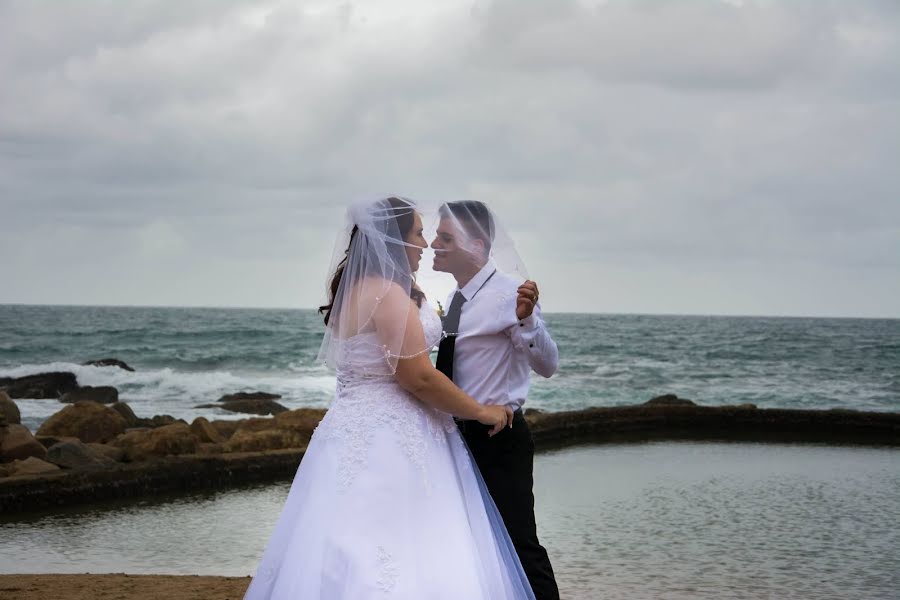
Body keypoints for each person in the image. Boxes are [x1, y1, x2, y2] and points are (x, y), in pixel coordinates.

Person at [242, 196, 536, 599]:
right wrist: (482, 411)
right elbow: (418, 377)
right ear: (394, 241)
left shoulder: (362, 290)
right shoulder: (387, 294)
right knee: (397, 542)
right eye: (418, 233)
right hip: (391, 436)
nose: (424, 243)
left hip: (348, 429)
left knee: (340, 538)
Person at [431, 200, 561, 600]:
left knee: (520, 544)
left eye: (445, 237)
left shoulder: (512, 293)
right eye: (436, 234)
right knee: (472, 545)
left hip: (498, 439)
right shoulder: (455, 298)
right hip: (453, 439)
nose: (435, 243)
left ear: (477, 245)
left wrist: (527, 319)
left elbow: (548, 365)